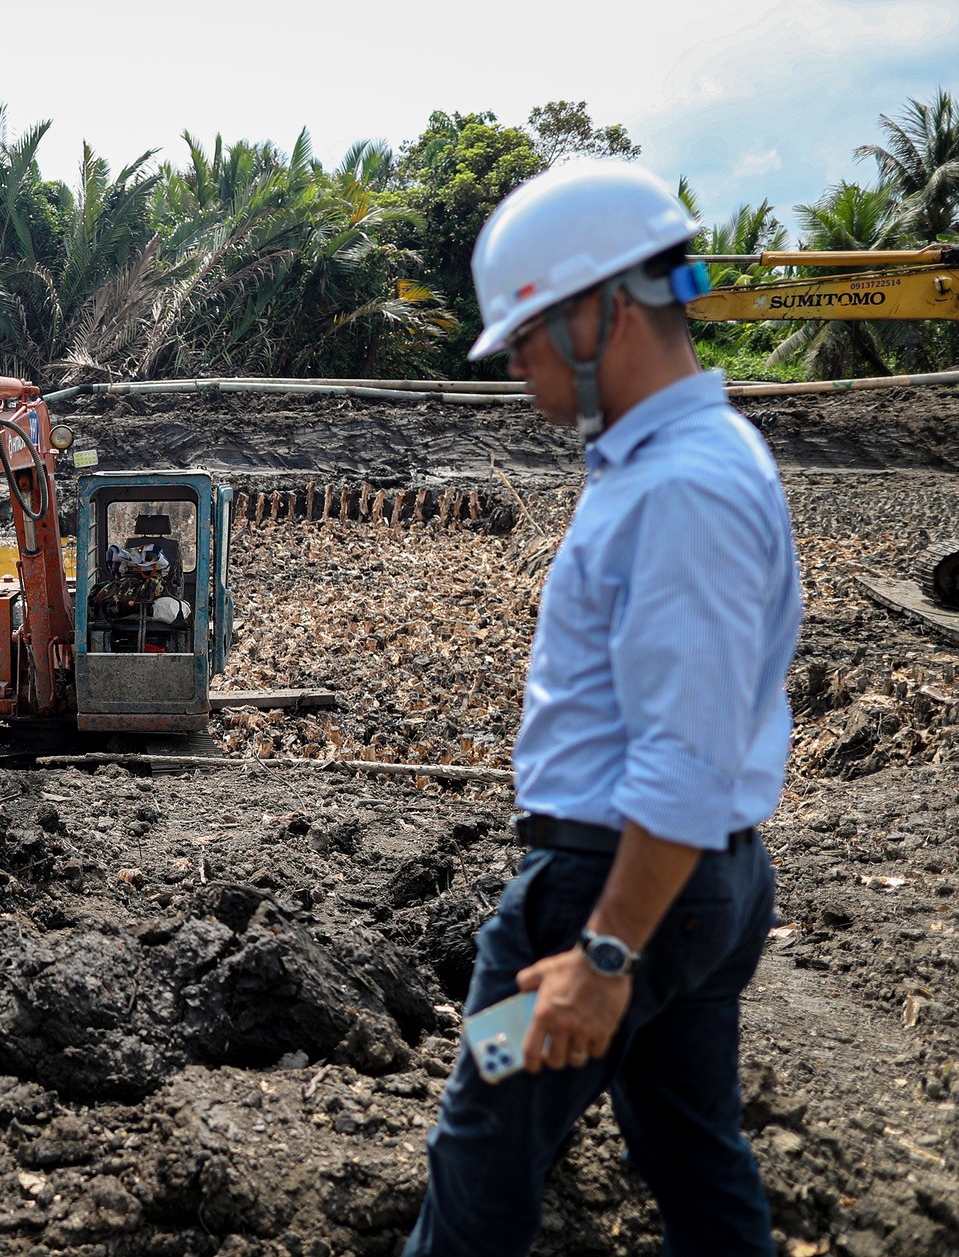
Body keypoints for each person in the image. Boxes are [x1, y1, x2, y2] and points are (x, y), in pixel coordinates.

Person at [403, 160, 802, 1257]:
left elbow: (687, 747)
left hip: (607, 895)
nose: (521, 369)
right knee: (691, 1154)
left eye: (526, 339)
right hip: (696, 889)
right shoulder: (690, 460)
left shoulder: (682, 488)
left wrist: (606, 957)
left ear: (602, 312)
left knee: (479, 1148)